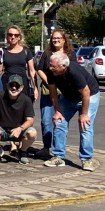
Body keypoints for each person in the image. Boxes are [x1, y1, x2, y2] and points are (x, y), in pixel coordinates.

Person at [44, 52, 101, 171]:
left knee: (85, 125)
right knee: (59, 122)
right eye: (50, 65)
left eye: (53, 66)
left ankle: (86, 159)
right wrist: (57, 110)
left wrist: (84, 114)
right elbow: (53, 93)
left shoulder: (74, 72)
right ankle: (58, 156)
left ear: (63, 66)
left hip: (89, 96)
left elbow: (86, 92)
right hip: (68, 97)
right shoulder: (51, 72)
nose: (50, 68)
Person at [35, 29, 76, 159]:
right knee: (46, 120)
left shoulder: (70, 54)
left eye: (59, 38)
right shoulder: (47, 53)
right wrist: (48, 81)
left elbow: (73, 70)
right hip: (48, 91)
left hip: (64, 92)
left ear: (64, 39)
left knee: (60, 121)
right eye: (54, 38)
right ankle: (47, 147)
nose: (56, 40)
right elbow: (39, 69)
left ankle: (58, 148)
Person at [0, 74, 37, 164]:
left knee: (32, 133)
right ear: (7, 86)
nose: (14, 88)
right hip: (2, 130)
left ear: (21, 88)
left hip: (19, 131)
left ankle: (22, 151)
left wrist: (20, 128)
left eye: (17, 86)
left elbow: (30, 120)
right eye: (11, 85)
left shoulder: (26, 100)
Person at [2, 25, 38, 101]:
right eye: (10, 34)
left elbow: (32, 71)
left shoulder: (26, 51)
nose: (13, 37)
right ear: (7, 36)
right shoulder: (3, 51)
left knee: (23, 108)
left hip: (23, 85)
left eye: (16, 35)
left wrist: (35, 88)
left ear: (19, 37)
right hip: (7, 84)